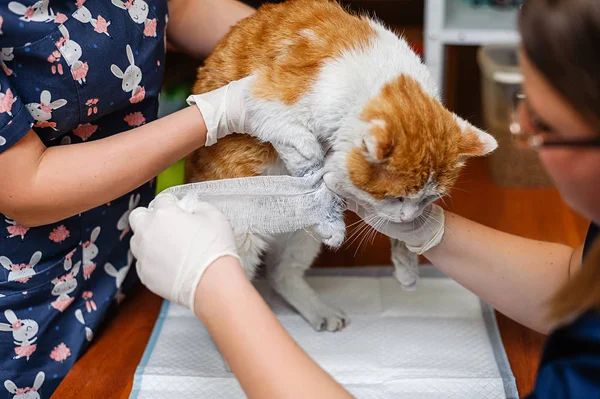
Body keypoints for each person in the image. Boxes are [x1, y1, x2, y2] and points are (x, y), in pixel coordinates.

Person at [130, 0, 600, 397]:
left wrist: (214, 287)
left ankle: (279, 282)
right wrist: (426, 230)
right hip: (254, 147)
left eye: (542, 124)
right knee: (249, 235)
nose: (521, 131)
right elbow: (578, 281)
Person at [0, 0, 257, 395]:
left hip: (125, 262)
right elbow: (24, 185)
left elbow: (178, 11)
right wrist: (216, 115)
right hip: (25, 312)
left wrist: (291, 41)